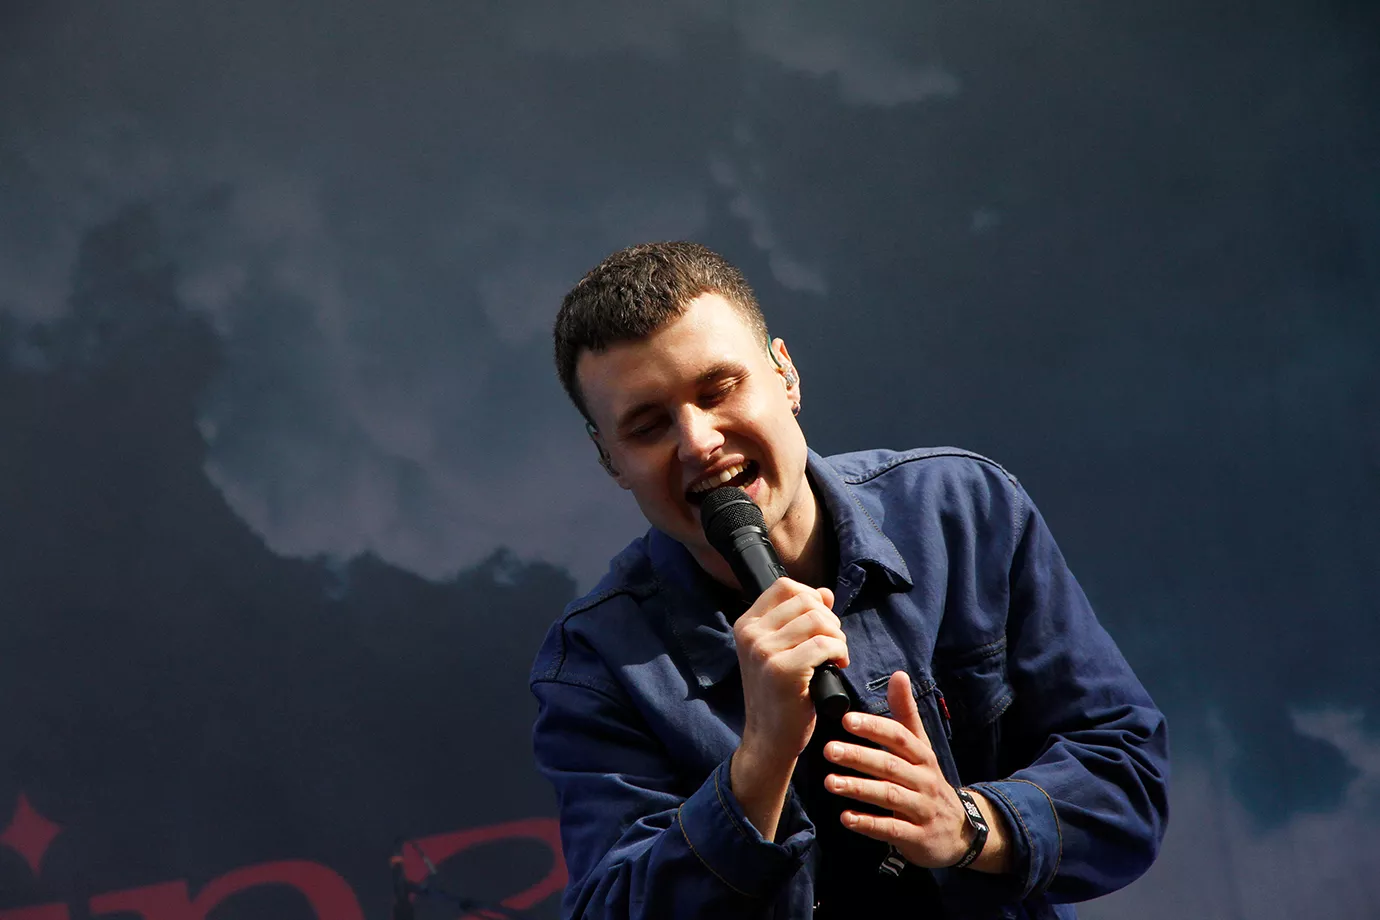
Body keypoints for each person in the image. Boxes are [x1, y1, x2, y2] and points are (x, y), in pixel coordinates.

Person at [530, 241, 1169, 919]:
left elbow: (1127, 779)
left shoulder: (962, 511)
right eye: (648, 426)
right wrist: (758, 767)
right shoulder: (594, 664)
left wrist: (967, 826)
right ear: (610, 460)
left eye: (718, 390)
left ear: (786, 374)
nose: (698, 442)